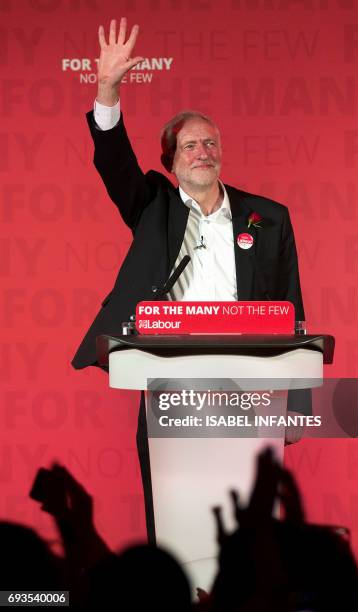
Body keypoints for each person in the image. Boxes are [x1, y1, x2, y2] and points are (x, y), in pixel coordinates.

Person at [71, 17, 306, 541]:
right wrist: (107, 89)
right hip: (170, 378)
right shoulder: (152, 204)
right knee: (175, 509)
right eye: (190, 146)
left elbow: (293, 309)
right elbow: (113, 160)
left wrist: (298, 406)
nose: (203, 152)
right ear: (171, 161)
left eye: (210, 144)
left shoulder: (268, 217)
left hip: (250, 384)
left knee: (250, 517)